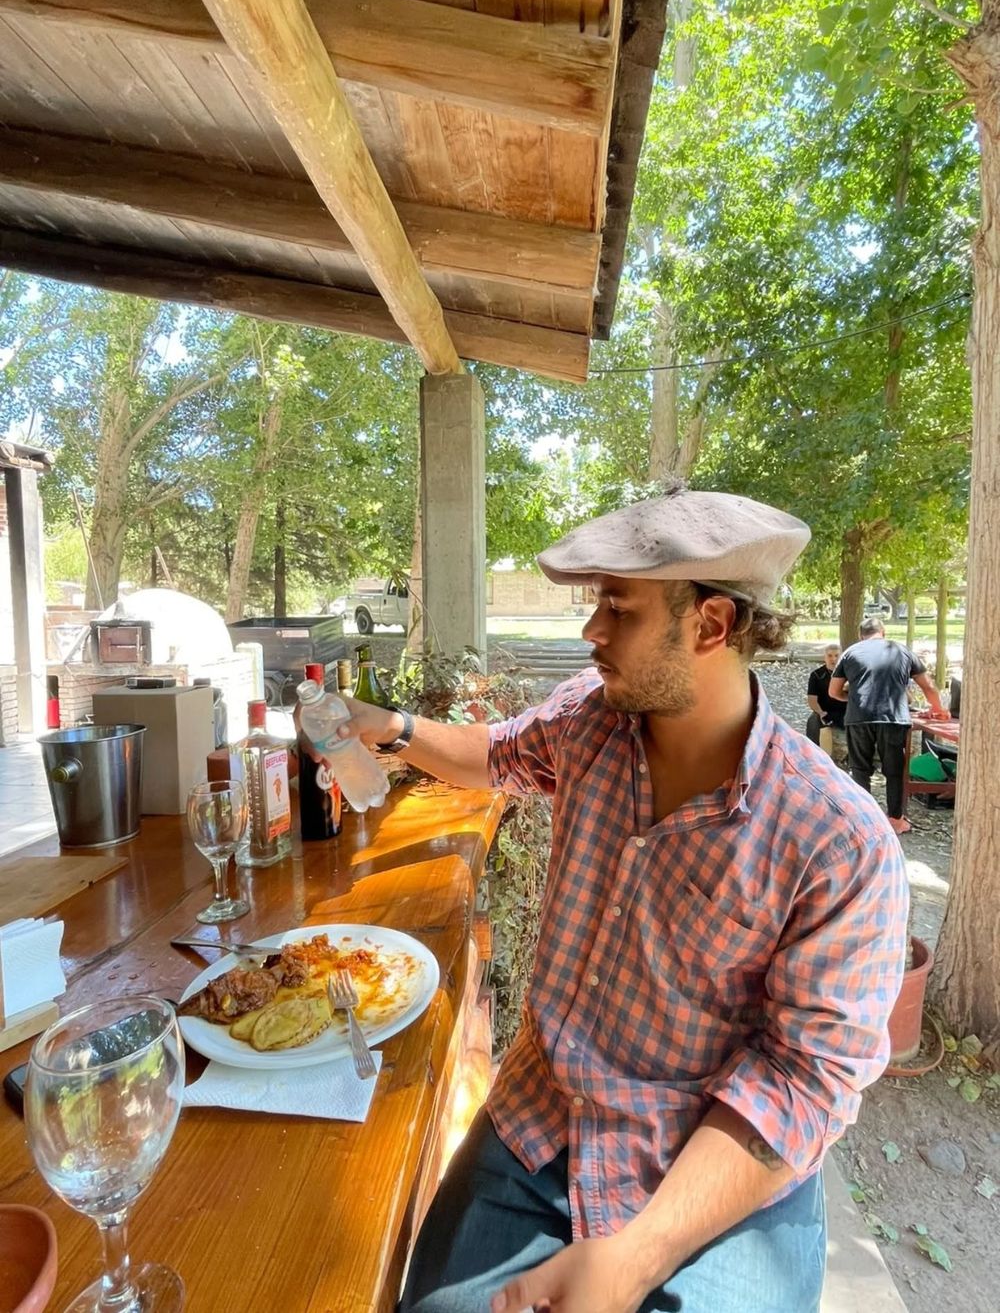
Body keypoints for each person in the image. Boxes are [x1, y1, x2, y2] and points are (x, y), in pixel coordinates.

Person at [336, 485, 908, 1313]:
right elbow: (495, 754)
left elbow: (801, 1084)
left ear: (711, 624)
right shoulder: (589, 723)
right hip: (542, 1117)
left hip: (713, 1178)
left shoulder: (839, 842)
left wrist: (632, 1258)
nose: (590, 631)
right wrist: (387, 727)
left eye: (617, 607)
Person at [828, 617, 949, 836]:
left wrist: (854, 697)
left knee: (860, 770)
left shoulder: (850, 653)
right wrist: (939, 709)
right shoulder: (901, 651)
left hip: (859, 717)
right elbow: (928, 687)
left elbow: (833, 692)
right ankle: (895, 820)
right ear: (883, 632)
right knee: (894, 771)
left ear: (860, 634)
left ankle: (863, 821)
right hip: (893, 718)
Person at [805, 643, 847, 755]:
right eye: (830, 656)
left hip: (846, 712)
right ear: (825, 657)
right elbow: (812, 699)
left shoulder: (849, 673)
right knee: (813, 720)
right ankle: (814, 755)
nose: (833, 659)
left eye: (836, 655)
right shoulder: (816, 675)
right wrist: (820, 712)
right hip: (825, 712)